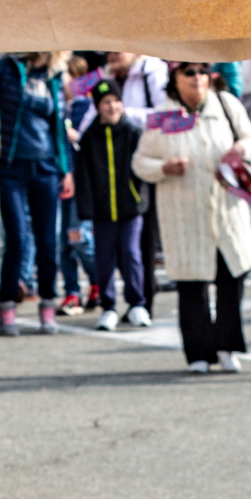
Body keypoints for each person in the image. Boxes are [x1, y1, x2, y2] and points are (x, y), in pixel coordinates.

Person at [133, 61, 251, 373]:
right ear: (175, 79)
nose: (197, 79)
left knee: (232, 277)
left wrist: (241, 150)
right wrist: (164, 168)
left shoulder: (226, 104)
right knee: (192, 285)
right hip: (184, 214)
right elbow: (140, 162)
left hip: (227, 212)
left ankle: (227, 345)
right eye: (188, 72)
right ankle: (198, 352)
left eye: (202, 72)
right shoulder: (162, 116)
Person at [0, 51, 74, 336]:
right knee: (17, 239)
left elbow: (59, 127)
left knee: (48, 242)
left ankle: (48, 303)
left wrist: (66, 169)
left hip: (46, 166)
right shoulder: (6, 69)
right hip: (10, 165)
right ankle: (8, 302)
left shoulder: (54, 76)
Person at [70, 77, 150, 330]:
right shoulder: (90, 137)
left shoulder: (133, 133)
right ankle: (108, 307)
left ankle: (137, 303)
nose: (112, 107)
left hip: (130, 209)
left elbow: (142, 170)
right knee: (104, 258)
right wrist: (86, 209)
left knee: (131, 254)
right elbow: (83, 178)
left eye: (116, 101)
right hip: (102, 212)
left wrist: (140, 198)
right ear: (97, 105)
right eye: (106, 102)